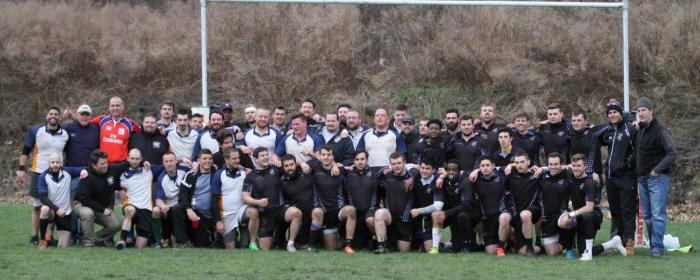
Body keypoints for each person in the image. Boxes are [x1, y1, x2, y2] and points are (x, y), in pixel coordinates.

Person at [588, 99, 638, 255]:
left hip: (626, 177)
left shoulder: (631, 129)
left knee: (627, 210)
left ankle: (629, 242)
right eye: (609, 113)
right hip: (610, 177)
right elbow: (593, 134)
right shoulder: (608, 130)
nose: (612, 115)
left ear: (620, 113)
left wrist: (626, 165)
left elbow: (637, 151)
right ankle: (618, 241)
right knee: (615, 211)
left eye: (615, 112)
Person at [16, 106, 69, 244]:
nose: (53, 116)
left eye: (56, 114)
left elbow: (68, 152)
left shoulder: (65, 133)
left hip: (57, 174)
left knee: (52, 206)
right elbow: (25, 150)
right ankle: (34, 235)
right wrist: (21, 168)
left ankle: (48, 235)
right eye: (51, 113)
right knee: (37, 206)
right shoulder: (36, 130)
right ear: (47, 116)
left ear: (59, 117)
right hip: (39, 172)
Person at [560, 154, 627, 261]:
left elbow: (589, 207)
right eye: (574, 166)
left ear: (585, 166)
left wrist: (571, 214)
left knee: (587, 215)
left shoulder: (590, 182)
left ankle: (589, 253)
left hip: (593, 216)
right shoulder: (570, 174)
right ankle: (613, 243)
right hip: (579, 216)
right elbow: (554, 168)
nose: (576, 168)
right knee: (581, 250)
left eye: (579, 166)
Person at [634, 97, 677, 258]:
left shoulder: (660, 130)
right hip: (642, 179)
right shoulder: (641, 129)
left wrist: (657, 170)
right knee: (647, 215)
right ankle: (654, 245)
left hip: (657, 178)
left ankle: (657, 248)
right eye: (639, 111)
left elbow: (672, 152)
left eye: (644, 110)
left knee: (658, 214)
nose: (641, 113)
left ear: (651, 111)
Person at [308, 146, 357, 253]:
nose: (326, 157)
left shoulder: (340, 170)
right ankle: (311, 246)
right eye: (324, 154)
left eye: (329, 155)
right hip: (324, 213)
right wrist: (302, 163)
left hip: (339, 210)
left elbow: (355, 168)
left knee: (351, 210)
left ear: (333, 157)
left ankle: (348, 244)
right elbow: (297, 164)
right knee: (331, 249)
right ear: (320, 156)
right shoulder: (314, 168)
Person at [74, 150, 127, 247]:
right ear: (94, 165)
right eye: (102, 164)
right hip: (82, 204)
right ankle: (88, 242)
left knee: (116, 224)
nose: (106, 165)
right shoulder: (87, 176)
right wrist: (102, 210)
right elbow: (85, 200)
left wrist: (142, 161)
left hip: (100, 206)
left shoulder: (112, 169)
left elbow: (126, 164)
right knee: (87, 213)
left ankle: (96, 238)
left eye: (106, 162)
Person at [241, 147, 284, 251]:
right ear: (255, 159)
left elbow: (291, 164)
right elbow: (245, 197)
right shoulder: (250, 176)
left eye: (266, 154)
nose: (266, 157)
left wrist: (279, 161)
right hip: (265, 213)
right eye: (262, 155)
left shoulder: (275, 168)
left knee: (294, 213)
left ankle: (288, 242)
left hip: (280, 210)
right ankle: (265, 239)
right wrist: (258, 202)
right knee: (265, 248)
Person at [372, 153, 416, 254]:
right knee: (379, 213)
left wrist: (412, 178)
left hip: (406, 220)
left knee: (403, 250)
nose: (396, 166)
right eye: (393, 164)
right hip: (390, 217)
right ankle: (381, 246)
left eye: (399, 163)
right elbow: (373, 175)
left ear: (405, 162)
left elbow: (418, 170)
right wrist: (383, 170)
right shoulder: (386, 176)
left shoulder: (412, 176)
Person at [172, 149, 217, 248]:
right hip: (193, 211)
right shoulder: (190, 175)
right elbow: (182, 195)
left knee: (202, 244)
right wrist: (189, 209)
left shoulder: (217, 174)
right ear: (199, 160)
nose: (207, 161)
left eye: (210, 158)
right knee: (177, 209)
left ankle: (196, 239)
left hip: (207, 218)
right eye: (204, 158)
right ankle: (181, 242)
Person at [36, 154, 83, 249]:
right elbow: (43, 198)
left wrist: (84, 171)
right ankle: (42, 241)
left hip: (65, 213)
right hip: (53, 212)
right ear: (48, 163)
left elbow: (83, 169)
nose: (55, 165)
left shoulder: (67, 172)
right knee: (44, 209)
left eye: (57, 162)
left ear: (61, 163)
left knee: (63, 246)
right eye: (52, 162)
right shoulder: (43, 177)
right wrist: (57, 209)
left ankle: (50, 241)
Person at [431, 160, 478, 253]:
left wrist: (446, 213)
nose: (451, 172)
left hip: (467, 214)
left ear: (459, 171)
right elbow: (434, 189)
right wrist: (441, 177)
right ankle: (435, 247)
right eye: (449, 169)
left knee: (462, 215)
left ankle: (467, 245)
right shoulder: (443, 181)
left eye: (454, 170)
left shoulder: (465, 182)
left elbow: (466, 205)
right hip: (452, 214)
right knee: (435, 215)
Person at [468, 156, 510, 256]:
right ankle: (505, 244)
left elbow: (516, 166)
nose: (485, 168)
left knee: (505, 218)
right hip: (487, 220)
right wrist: (476, 171)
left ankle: (504, 244)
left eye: (488, 165)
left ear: (493, 166)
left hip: (501, 216)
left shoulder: (502, 177)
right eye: (482, 166)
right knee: (491, 252)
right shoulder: (475, 180)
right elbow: (462, 173)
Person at [115, 148, 156, 250]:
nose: (134, 161)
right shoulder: (122, 175)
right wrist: (120, 191)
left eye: (137, 158)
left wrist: (181, 160)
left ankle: (134, 240)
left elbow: (167, 166)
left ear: (141, 159)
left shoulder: (149, 170)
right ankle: (122, 240)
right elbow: (112, 184)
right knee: (130, 210)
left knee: (139, 247)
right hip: (131, 205)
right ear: (128, 158)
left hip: (146, 209)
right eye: (132, 158)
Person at [504, 152, 540, 256]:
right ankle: (539, 248)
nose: (519, 165)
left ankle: (529, 247)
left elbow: (557, 169)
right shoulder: (511, 174)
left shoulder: (537, 174)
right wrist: (510, 165)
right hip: (517, 216)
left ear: (528, 162)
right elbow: (493, 168)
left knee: (525, 214)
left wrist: (543, 169)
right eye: (517, 163)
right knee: (521, 252)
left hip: (533, 211)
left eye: (522, 162)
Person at [538, 152, 574, 258]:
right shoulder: (542, 176)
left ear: (561, 164)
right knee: (552, 253)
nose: (553, 167)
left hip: (562, 214)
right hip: (547, 218)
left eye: (556, 164)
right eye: (550, 164)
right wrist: (542, 169)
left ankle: (569, 248)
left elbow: (582, 171)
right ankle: (561, 242)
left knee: (566, 221)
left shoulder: (568, 175)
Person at [211, 147, 248, 249]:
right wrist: (218, 221)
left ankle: (252, 240)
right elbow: (214, 199)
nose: (237, 161)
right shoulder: (219, 175)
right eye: (234, 158)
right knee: (230, 249)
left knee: (245, 246)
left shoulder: (244, 173)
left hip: (242, 212)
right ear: (226, 159)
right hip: (227, 215)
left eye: (238, 158)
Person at [343, 150, 379, 250]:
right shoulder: (347, 173)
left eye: (362, 159)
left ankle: (380, 241)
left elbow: (390, 168)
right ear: (353, 161)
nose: (360, 162)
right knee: (359, 246)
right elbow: (334, 165)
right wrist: (334, 166)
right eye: (357, 159)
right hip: (354, 215)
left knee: (370, 220)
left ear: (367, 160)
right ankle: (348, 244)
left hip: (370, 212)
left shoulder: (375, 173)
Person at [279, 154, 315, 252]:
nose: (289, 168)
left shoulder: (306, 170)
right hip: (296, 215)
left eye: (292, 164)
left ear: (296, 164)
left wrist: (302, 163)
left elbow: (323, 160)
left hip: (312, 214)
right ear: (282, 167)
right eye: (286, 166)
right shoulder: (281, 180)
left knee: (330, 246)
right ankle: (289, 242)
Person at [153, 152, 189, 246]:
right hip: (170, 208)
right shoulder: (162, 178)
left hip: (186, 205)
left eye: (171, 161)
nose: (169, 164)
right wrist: (162, 205)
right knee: (161, 210)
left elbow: (197, 171)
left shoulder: (185, 171)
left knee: (177, 209)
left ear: (176, 161)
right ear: (163, 163)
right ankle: (163, 239)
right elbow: (158, 199)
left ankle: (181, 241)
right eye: (166, 161)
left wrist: (191, 164)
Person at [91, 96, 141, 163]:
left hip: (121, 164)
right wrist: (72, 116)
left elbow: (144, 131)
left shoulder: (130, 124)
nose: (115, 108)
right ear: (109, 107)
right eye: (113, 106)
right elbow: (84, 122)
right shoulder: (102, 120)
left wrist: (159, 131)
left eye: (118, 105)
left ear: (123, 107)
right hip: (104, 163)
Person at [409, 160, 444, 254]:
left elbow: (438, 206)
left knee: (428, 249)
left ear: (434, 170)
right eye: (422, 168)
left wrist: (419, 211)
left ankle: (443, 245)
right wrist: (386, 169)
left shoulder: (437, 181)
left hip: (430, 216)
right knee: (410, 247)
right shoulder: (416, 179)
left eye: (428, 168)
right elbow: (402, 165)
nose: (424, 171)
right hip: (415, 217)